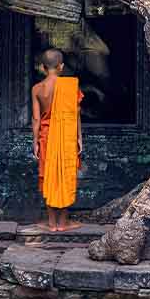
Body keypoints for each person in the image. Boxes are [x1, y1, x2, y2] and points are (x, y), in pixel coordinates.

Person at [32, 48, 84, 231]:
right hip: (67, 137)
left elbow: (36, 119)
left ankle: (52, 223)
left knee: (48, 176)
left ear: (43, 67)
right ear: (61, 66)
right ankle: (63, 223)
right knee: (65, 174)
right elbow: (76, 114)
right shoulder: (70, 86)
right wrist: (79, 137)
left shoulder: (37, 89)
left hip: (46, 138)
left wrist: (35, 142)